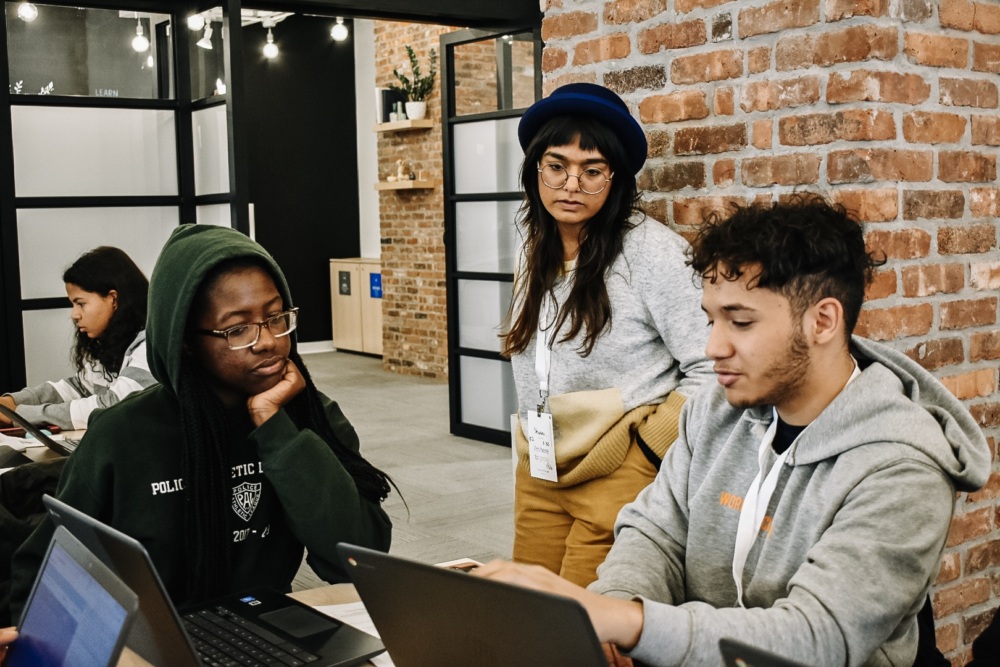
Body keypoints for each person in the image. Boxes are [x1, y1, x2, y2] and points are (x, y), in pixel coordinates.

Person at [477, 194, 991, 665]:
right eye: (711, 320)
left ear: (823, 322)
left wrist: (626, 622)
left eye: (740, 322)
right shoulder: (714, 412)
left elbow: (817, 639)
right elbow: (654, 532)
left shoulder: (901, 468)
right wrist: (616, 606)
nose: (712, 347)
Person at [9, 224, 392, 619]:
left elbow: (361, 561)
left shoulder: (310, 417)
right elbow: (44, 571)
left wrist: (275, 430)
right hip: (151, 638)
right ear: (186, 341)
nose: (268, 340)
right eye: (238, 328)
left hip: (264, 628)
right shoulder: (123, 435)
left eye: (277, 317)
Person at [504, 82, 713, 587]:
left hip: (617, 469)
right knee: (527, 611)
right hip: (542, 466)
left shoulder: (652, 252)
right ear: (537, 170)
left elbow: (712, 365)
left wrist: (646, 451)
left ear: (614, 178)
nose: (571, 185)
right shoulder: (534, 246)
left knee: (583, 624)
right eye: (556, 166)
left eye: (591, 171)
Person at [0, 246, 154, 431]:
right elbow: (79, 387)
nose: (74, 315)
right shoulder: (114, 344)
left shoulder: (149, 345)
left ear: (113, 299)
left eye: (81, 304)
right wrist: (12, 402)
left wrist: (21, 415)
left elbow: (113, 406)